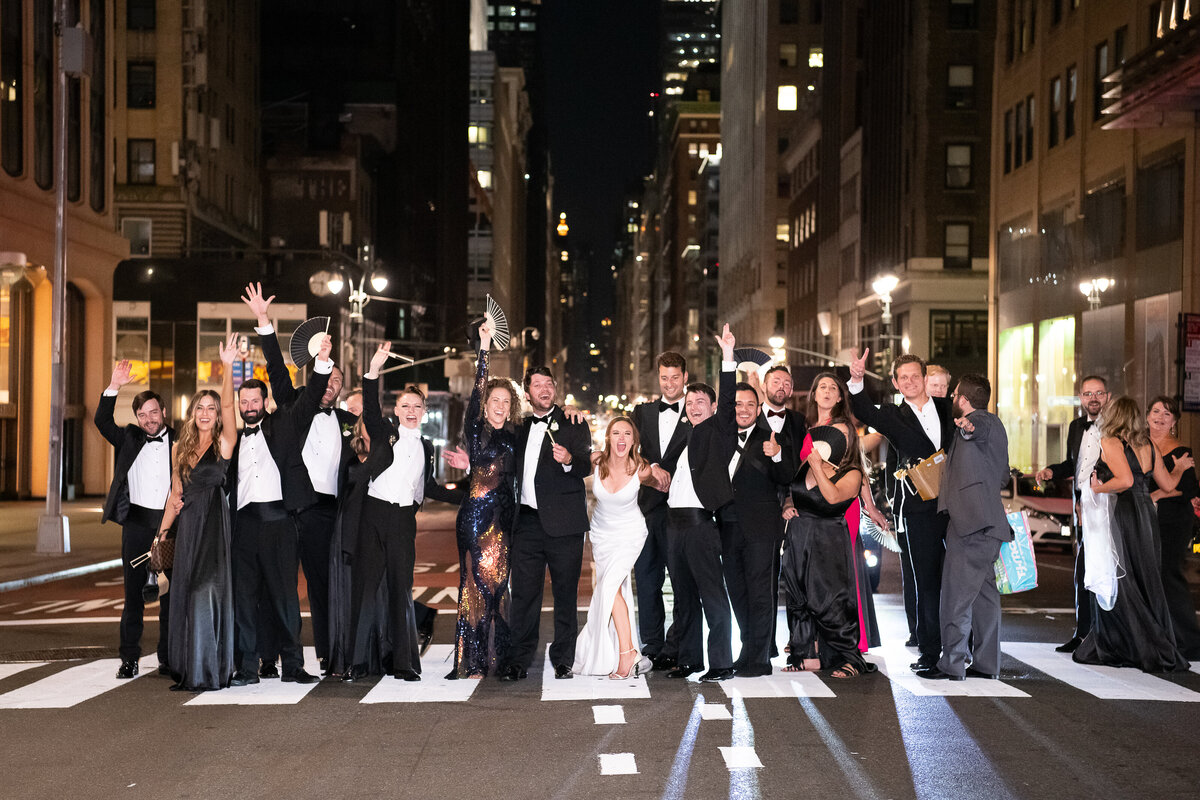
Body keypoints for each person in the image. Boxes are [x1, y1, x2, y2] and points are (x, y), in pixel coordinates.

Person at [243, 283, 357, 676]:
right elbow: (276, 368)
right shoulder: (294, 405)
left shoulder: (348, 423)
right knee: (276, 586)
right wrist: (263, 322)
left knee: (324, 587)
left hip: (329, 513)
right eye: (326, 379)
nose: (331, 386)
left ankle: (328, 654)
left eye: (337, 382)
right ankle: (268, 655)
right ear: (313, 380)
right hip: (290, 508)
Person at [347, 344, 464, 681]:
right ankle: (357, 664)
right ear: (396, 410)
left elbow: (428, 486)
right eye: (405, 406)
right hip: (373, 515)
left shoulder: (425, 446)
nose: (411, 411)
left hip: (402, 522)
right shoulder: (385, 432)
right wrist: (373, 369)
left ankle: (405, 663)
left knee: (402, 589)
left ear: (424, 411)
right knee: (366, 590)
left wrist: (470, 495)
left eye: (417, 406)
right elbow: (369, 409)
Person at [225, 337, 331, 687]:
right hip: (245, 526)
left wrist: (266, 327)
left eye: (256, 400)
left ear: (265, 402)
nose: (250, 406)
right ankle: (247, 668)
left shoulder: (283, 425)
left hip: (280, 521)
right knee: (245, 600)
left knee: (286, 597)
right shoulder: (232, 439)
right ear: (239, 405)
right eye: (245, 401)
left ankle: (295, 665)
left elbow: (309, 393)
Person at [848, 350, 954, 672]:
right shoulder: (893, 416)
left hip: (955, 507)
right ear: (895, 383)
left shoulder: (949, 409)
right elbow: (863, 408)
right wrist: (856, 380)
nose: (909, 382)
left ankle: (963, 645)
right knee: (926, 581)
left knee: (957, 579)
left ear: (925, 378)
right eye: (902, 378)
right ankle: (929, 652)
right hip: (918, 510)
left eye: (914, 376)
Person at [1073, 396, 1190, 672]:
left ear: (1114, 415)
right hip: (1146, 515)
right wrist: (1179, 469)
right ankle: (1154, 642)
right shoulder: (1148, 444)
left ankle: (1128, 644)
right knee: (1145, 579)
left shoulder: (1111, 441)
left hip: (1122, 515)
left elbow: (1124, 481)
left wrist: (1096, 488)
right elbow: (1168, 485)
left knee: (1121, 582)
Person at [153, 334, 240, 691]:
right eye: (200, 407)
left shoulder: (225, 442)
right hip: (188, 526)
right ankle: (191, 669)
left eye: (212, 408)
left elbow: (232, 408)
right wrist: (160, 535)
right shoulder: (178, 449)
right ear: (192, 413)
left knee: (208, 590)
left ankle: (212, 669)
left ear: (218, 414)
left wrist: (228, 367)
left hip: (215, 526)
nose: (206, 413)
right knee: (186, 594)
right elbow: (174, 496)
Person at [500, 359, 592, 681]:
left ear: (555, 389)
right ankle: (519, 658)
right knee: (524, 594)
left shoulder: (573, 422)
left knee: (566, 595)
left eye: (548, 384)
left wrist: (569, 460)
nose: (544, 389)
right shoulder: (519, 428)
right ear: (527, 393)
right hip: (526, 523)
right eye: (537, 385)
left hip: (565, 524)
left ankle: (564, 658)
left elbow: (586, 465)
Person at [916, 374, 1012, 681]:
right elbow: (1003, 476)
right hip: (985, 527)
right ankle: (986, 664)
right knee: (984, 599)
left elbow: (977, 428)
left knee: (955, 598)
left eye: (955, 394)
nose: (952, 399)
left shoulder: (984, 422)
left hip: (972, 527)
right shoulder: (992, 429)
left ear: (964, 400)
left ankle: (953, 663)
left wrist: (970, 427)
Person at [661, 325, 738, 682]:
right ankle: (688, 659)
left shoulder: (718, 432)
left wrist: (727, 358)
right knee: (684, 597)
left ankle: (721, 663)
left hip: (699, 526)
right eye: (689, 403)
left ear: (713, 408)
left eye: (700, 403)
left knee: (712, 595)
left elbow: (727, 407)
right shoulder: (686, 438)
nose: (693, 407)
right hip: (674, 526)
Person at [791, 372, 883, 655]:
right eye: (822, 387)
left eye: (834, 388)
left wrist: (869, 505)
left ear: (841, 396)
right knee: (815, 573)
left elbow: (857, 470)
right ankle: (815, 638)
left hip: (840, 506)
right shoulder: (808, 426)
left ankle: (855, 638)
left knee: (844, 570)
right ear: (814, 394)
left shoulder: (843, 427)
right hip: (812, 505)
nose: (828, 392)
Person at [95, 360, 175, 680]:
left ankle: (168, 658)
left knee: (169, 596)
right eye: (142, 415)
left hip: (170, 527)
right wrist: (114, 385)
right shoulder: (129, 437)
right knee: (132, 596)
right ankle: (130, 658)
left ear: (164, 412)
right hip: (137, 526)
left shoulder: (181, 439)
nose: (148, 419)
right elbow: (102, 420)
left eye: (153, 413)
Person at [451, 320, 521, 678]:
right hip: (475, 520)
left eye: (505, 402)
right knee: (475, 590)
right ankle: (475, 661)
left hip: (504, 522)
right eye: (495, 400)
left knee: (499, 591)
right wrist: (484, 349)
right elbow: (476, 391)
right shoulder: (475, 429)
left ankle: (501, 659)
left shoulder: (514, 436)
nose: (499, 405)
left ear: (510, 408)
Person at [781, 418, 875, 679]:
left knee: (829, 601)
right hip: (799, 536)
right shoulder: (807, 463)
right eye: (836, 433)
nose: (839, 439)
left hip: (828, 539)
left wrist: (818, 468)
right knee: (799, 598)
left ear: (851, 442)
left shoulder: (853, 472)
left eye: (845, 436)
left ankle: (850, 658)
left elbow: (833, 496)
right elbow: (794, 492)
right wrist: (787, 506)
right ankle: (805, 656)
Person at [719, 381, 793, 677]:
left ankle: (759, 658)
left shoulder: (771, 437)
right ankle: (747, 648)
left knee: (761, 593)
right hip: (727, 526)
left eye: (751, 404)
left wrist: (776, 454)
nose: (744, 409)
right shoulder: (721, 438)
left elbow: (787, 474)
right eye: (738, 404)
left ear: (758, 408)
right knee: (737, 592)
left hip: (762, 528)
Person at [573, 417, 658, 678]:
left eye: (627, 434)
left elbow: (660, 484)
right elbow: (571, 465)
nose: (622, 438)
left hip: (629, 534)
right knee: (613, 590)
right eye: (616, 433)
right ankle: (618, 650)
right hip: (601, 535)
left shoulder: (641, 469)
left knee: (609, 587)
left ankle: (627, 653)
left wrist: (659, 471)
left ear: (634, 440)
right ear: (609, 437)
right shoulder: (597, 460)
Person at [1035, 375, 1110, 653]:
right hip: (1080, 508)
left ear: (1108, 397)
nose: (1093, 398)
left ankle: (1102, 635)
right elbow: (1073, 463)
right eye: (1088, 393)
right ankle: (1082, 634)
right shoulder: (1076, 426)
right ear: (1081, 398)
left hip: (1104, 507)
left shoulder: (1115, 428)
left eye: (1099, 393)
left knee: (1101, 573)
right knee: (1082, 573)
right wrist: (1052, 470)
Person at [629, 352, 691, 672]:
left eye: (675, 378)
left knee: (682, 581)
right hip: (647, 509)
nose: (669, 384)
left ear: (685, 376)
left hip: (683, 510)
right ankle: (652, 646)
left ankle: (676, 645)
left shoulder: (695, 412)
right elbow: (626, 450)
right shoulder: (641, 412)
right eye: (664, 378)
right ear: (658, 378)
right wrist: (650, 467)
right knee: (647, 579)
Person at [1146, 396, 1200, 659]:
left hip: (1174, 522)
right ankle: (1163, 637)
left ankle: (1190, 641)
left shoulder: (1181, 451)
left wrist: (1155, 495)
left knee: (1169, 576)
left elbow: (1189, 490)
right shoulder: (1140, 446)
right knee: (1150, 579)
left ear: (1175, 422)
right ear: (1146, 417)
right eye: (1156, 411)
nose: (1160, 417)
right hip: (1147, 520)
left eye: (1167, 414)